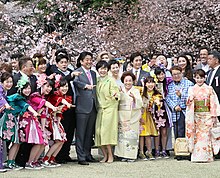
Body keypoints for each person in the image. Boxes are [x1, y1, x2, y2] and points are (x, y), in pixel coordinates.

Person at [1, 76, 39, 170]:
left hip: (14, 120)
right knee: (12, 141)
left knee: (17, 141)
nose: (27, 90)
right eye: (25, 88)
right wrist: (34, 112)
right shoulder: (17, 97)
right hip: (8, 119)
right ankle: (9, 162)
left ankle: (11, 162)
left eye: (29, 88)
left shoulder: (19, 97)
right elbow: (25, 105)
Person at [20, 75, 57, 169]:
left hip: (36, 122)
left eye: (50, 87)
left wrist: (43, 128)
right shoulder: (34, 96)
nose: (49, 88)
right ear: (41, 85)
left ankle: (35, 161)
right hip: (28, 120)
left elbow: (43, 114)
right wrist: (53, 107)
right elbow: (43, 103)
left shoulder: (42, 97)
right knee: (39, 141)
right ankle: (29, 162)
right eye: (47, 86)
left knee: (43, 141)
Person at [186, 69, 220, 162]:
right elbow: (188, 103)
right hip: (196, 115)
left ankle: (207, 156)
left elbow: (213, 103)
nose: (199, 80)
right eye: (197, 78)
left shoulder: (209, 89)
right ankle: (196, 156)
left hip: (207, 115)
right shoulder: (191, 89)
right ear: (194, 78)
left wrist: (213, 115)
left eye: (201, 78)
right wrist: (190, 99)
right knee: (197, 136)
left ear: (205, 78)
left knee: (206, 136)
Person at [73, 51, 97, 165]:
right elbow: (75, 82)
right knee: (81, 133)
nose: (89, 62)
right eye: (86, 59)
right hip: (82, 106)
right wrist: (85, 86)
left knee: (89, 133)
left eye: (90, 59)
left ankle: (88, 154)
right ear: (81, 61)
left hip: (93, 105)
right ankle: (80, 156)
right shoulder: (77, 72)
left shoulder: (93, 73)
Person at [44, 76, 74, 167]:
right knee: (58, 140)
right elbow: (60, 100)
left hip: (56, 121)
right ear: (57, 87)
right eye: (63, 86)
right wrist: (67, 104)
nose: (65, 88)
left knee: (62, 140)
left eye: (66, 86)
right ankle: (46, 158)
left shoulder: (65, 96)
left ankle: (52, 158)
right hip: (49, 119)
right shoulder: (55, 95)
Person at [114, 72, 143, 162]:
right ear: (123, 81)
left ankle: (131, 155)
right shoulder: (120, 90)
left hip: (132, 116)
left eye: (130, 81)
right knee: (122, 136)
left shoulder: (136, 91)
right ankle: (121, 154)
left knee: (131, 136)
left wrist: (134, 98)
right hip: (121, 115)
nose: (128, 83)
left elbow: (139, 103)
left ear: (133, 81)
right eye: (126, 81)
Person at [95, 60, 119, 163]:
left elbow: (115, 91)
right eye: (101, 68)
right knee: (99, 133)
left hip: (110, 109)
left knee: (106, 133)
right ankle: (104, 155)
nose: (103, 70)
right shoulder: (96, 80)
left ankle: (110, 155)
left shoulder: (111, 80)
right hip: (100, 109)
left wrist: (115, 95)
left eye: (105, 68)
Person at [139, 76, 165, 160]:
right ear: (145, 84)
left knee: (148, 134)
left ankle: (149, 152)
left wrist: (158, 103)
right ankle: (141, 152)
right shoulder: (141, 91)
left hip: (150, 116)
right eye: (148, 82)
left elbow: (158, 100)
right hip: (141, 115)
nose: (150, 84)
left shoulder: (156, 94)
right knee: (141, 135)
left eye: (152, 82)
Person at [166, 66, 194, 138]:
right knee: (176, 132)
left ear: (182, 73)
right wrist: (174, 106)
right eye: (174, 74)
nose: (176, 76)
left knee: (184, 132)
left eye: (178, 73)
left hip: (185, 110)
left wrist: (181, 95)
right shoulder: (170, 85)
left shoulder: (189, 84)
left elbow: (191, 97)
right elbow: (168, 98)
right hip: (174, 112)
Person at [154, 67, 173, 158]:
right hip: (155, 108)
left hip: (165, 108)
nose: (161, 76)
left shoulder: (169, 81)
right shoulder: (153, 83)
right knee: (157, 131)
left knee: (164, 130)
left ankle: (164, 150)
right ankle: (157, 150)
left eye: (162, 74)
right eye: (158, 74)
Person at [0, 72, 13, 173]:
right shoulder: (0, 90)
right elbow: (1, 100)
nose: (9, 84)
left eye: (11, 82)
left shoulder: (5, 91)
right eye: (7, 82)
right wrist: (6, 105)